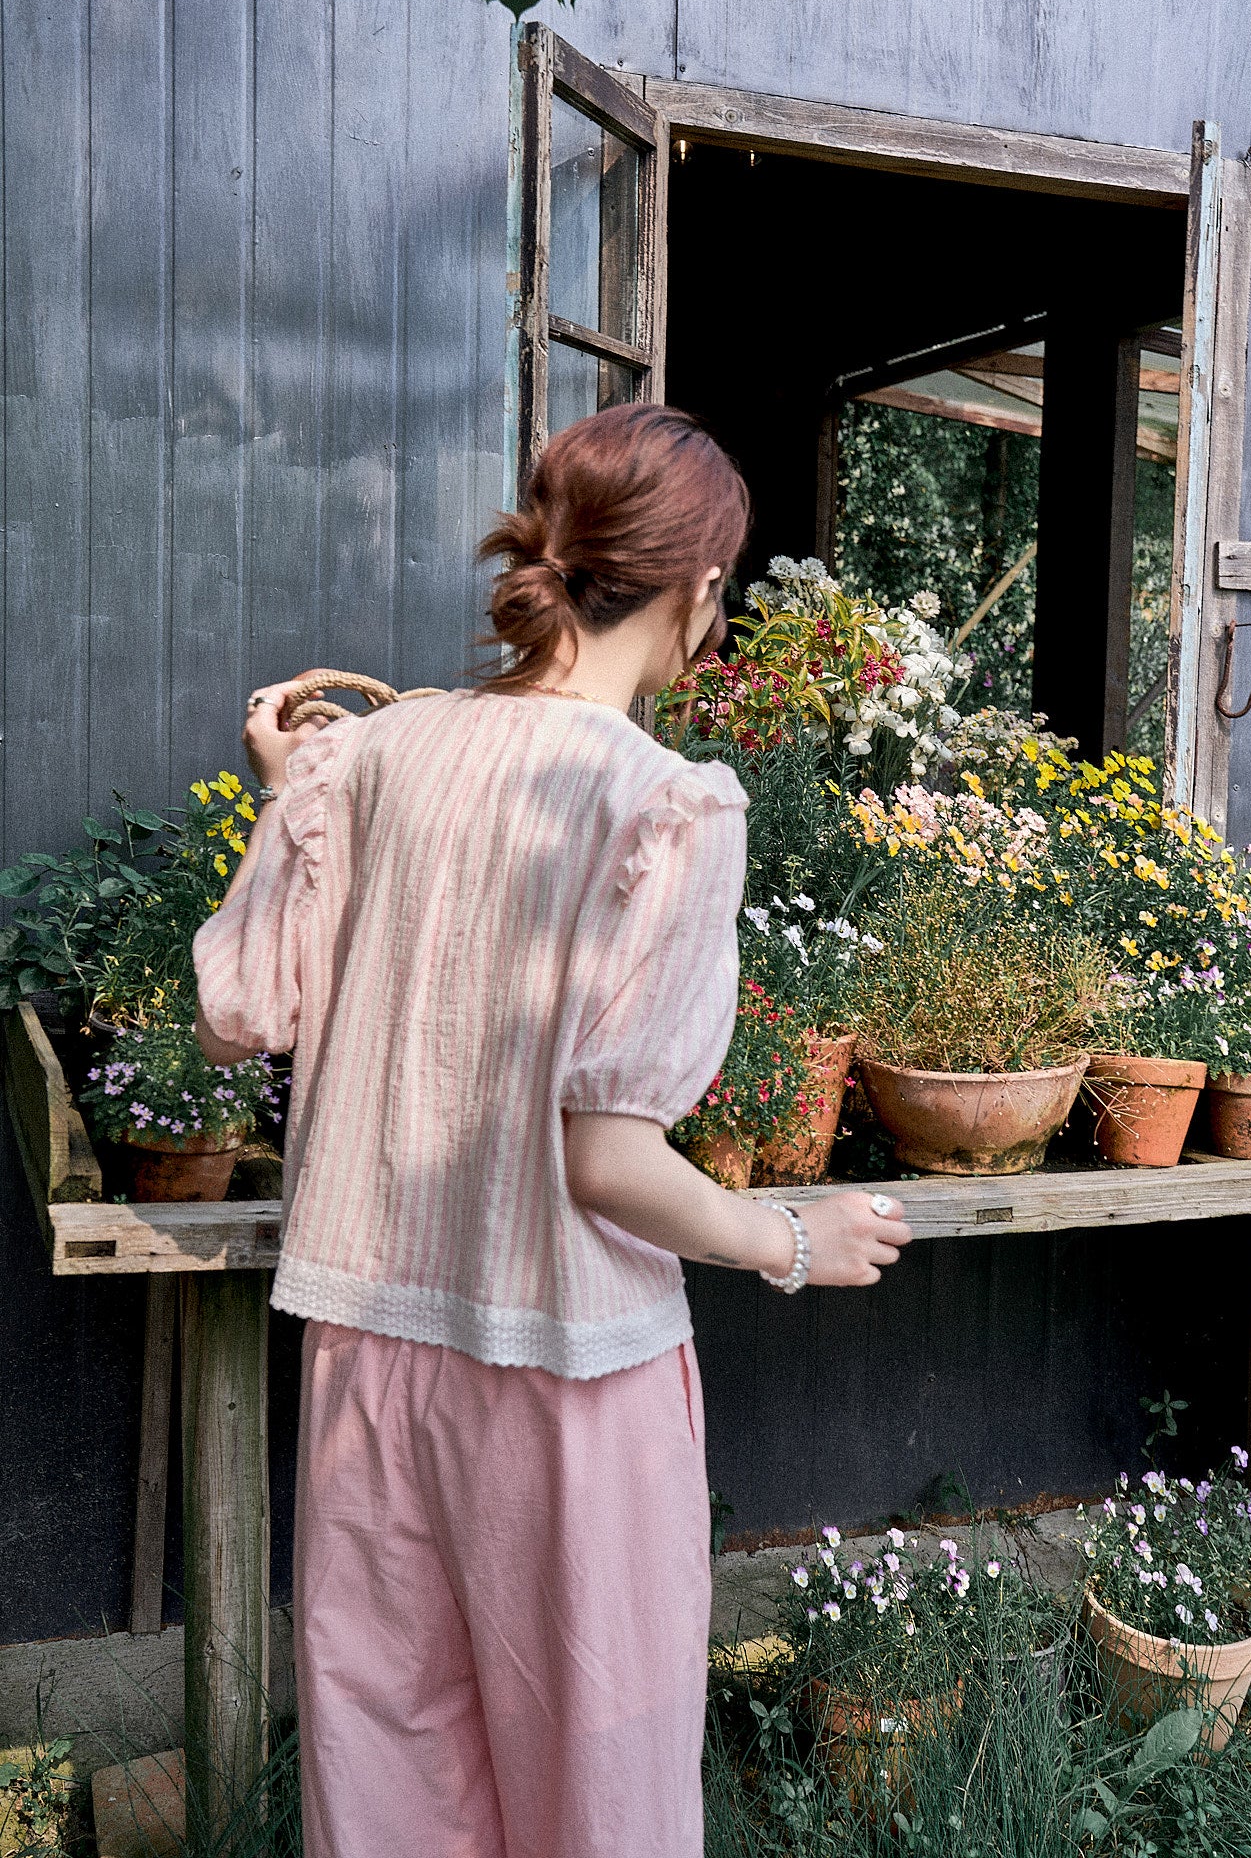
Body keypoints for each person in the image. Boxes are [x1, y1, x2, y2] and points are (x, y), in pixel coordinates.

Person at [194, 403, 912, 1858]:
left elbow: (238, 1013)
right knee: (597, 1792)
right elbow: (606, 1156)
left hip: (368, 1349)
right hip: (568, 1375)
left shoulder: (374, 757)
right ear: (701, 592)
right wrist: (789, 1238)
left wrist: (298, 805)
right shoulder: (667, 807)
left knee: (388, 1772)